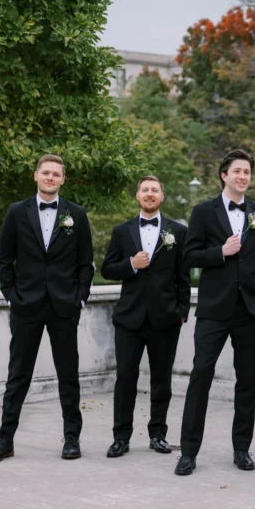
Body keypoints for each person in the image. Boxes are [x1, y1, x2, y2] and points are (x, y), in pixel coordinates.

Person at [0, 154, 94, 463]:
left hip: (63, 307)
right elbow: (5, 259)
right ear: (36, 176)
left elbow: (86, 263)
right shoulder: (17, 212)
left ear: (62, 179)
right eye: (45, 173)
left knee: (68, 375)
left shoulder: (77, 214)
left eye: (56, 174)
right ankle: (5, 440)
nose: (50, 178)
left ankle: (72, 438)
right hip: (26, 306)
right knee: (18, 375)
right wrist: (11, 296)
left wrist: (79, 297)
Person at [175, 149, 255, 475]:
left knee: (247, 382)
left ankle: (242, 449)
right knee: (200, 375)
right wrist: (221, 252)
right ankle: (188, 452)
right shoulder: (203, 211)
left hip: (251, 311)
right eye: (237, 171)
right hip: (214, 309)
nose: (243, 176)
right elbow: (189, 256)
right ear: (224, 174)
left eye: (247, 171)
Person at [101, 175, 190, 458]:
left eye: (155, 190)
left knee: (161, 380)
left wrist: (182, 312)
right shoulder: (121, 231)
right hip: (129, 318)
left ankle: (157, 434)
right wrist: (131, 264)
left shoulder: (178, 231)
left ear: (162, 196)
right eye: (145, 190)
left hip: (166, 318)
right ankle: (121, 437)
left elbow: (183, 276)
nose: (150, 194)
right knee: (125, 378)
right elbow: (107, 269)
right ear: (138, 196)